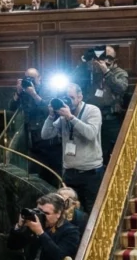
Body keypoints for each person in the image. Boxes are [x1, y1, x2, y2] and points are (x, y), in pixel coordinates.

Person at [41, 83, 102, 213]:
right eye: (65, 97)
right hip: (69, 173)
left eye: (71, 97)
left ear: (80, 97)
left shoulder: (92, 110)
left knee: (92, 211)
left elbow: (91, 134)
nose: (67, 101)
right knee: (68, 211)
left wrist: (71, 118)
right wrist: (51, 116)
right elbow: (45, 135)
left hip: (90, 173)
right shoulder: (63, 117)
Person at [77, 46, 127, 162]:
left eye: (109, 57)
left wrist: (106, 72)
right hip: (91, 118)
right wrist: (84, 62)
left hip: (110, 119)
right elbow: (75, 79)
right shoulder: (92, 72)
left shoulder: (119, 73)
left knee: (114, 152)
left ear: (114, 60)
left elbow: (121, 88)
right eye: (103, 57)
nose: (105, 60)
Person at [10, 68, 60, 183]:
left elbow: (49, 110)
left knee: (50, 172)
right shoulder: (23, 91)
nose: (29, 81)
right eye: (27, 78)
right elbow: (11, 108)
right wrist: (18, 93)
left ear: (39, 78)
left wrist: (34, 94)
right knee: (34, 172)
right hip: (31, 136)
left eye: (32, 78)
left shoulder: (48, 89)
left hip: (48, 137)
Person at [5, 192, 80, 260]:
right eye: (39, 211)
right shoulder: (34, 223)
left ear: (58, 214)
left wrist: (40, 233)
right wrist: (19, 226)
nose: (42, 216)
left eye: (46, 213)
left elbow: (59, 256)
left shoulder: (71, 232)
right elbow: (12, 246)